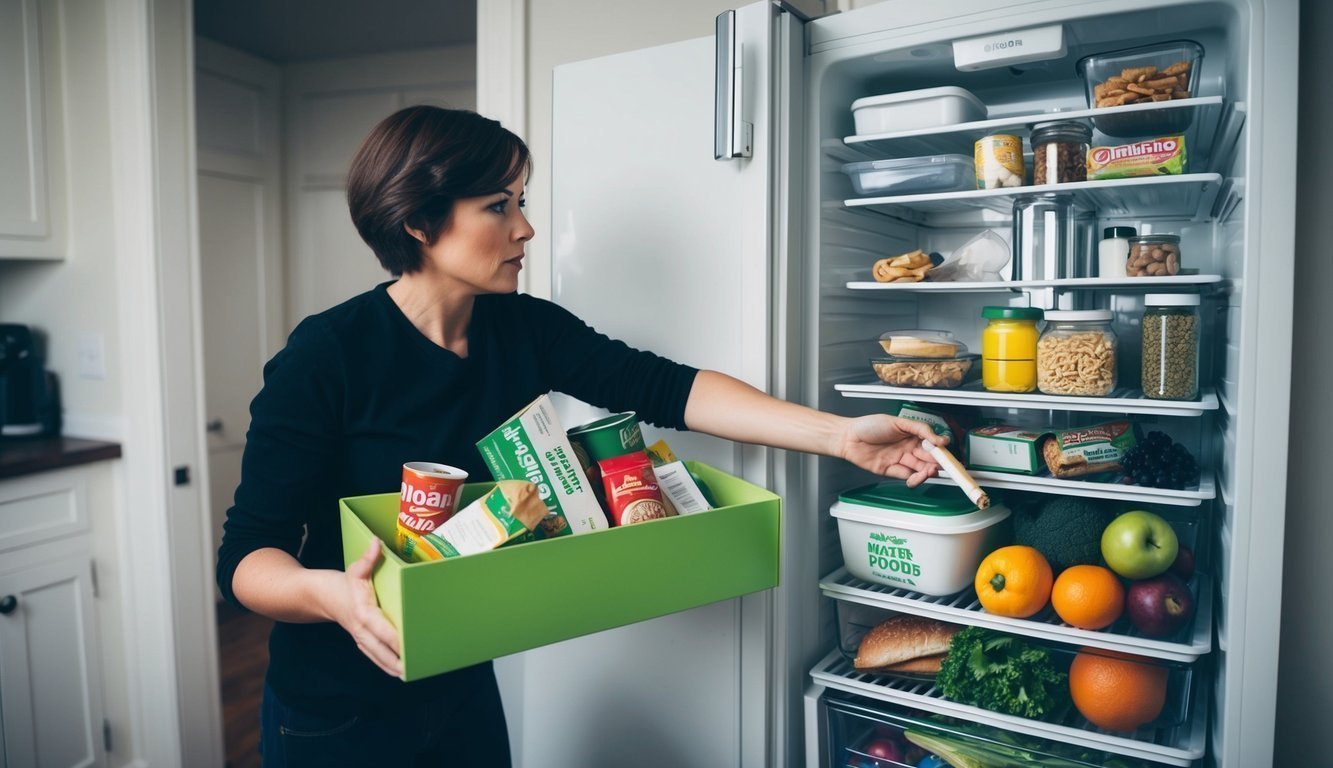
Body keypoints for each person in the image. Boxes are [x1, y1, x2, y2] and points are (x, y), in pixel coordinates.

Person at [215, 105, 945, 767]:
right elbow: (247, 558)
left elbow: (668, 388)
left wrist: (841, 435)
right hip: (335, 712)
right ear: (418, 222)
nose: (524, 227)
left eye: (520, 202)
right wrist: (332, 595)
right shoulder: (328, 354)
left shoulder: (523, 329)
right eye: (497, 206)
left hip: (461, 677)